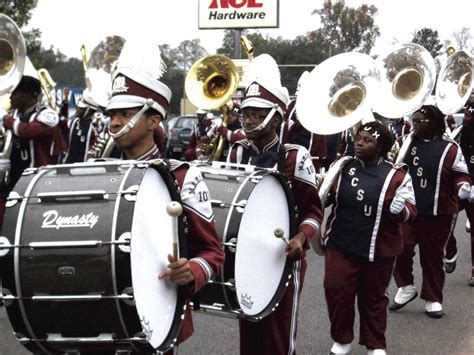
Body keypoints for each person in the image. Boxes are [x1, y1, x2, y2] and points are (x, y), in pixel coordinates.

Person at [105, 42, 225, 354]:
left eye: (124, 113)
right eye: (111, 114)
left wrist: (192, 271)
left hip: (156, 317)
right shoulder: (100, 174)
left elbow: (213, 253)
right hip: (103, 318)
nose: (114, 122)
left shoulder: (182, 177)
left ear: (153, 120)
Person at [226, 53, 323, 355]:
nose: (250, 121)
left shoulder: (295, 156)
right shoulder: (236, 153)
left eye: (257, 114)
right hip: (246, 257)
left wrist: (301, 237)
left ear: (277, 118)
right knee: (250, 332)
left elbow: (313, 211)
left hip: (284, 258)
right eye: (247, 114)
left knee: (279, 338)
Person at [321, 121, 416, 355]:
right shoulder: (342, 167)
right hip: (341, 242)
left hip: (379, 247)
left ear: (380, 145)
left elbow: (411, 211)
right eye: (358, 138)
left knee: (373, 298)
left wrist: (400, 210)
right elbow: (325, 198)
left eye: (367, 140)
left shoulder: (397, 176)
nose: (359, 143)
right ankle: (342, 339)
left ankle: (375, 344)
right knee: (336, 290)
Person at [389, 104, 472, 318]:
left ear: (433, 123)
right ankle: (406, 285)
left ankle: (433, 298)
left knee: (432, 256)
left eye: (419, 120)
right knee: (400, 248)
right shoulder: (403, 143)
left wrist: (463, 186)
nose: (414, 124)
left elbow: (460, 174)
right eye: (413, 120)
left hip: (439, 211)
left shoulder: (450, 147)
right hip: (409, 208)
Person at [0, 75, 65, 228]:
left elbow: (26, 131)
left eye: (14, 93)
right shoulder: (16, 115)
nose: (10, 97)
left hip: (37, 182)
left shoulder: (48, 115)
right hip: (13, 180)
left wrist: (5, 119)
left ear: (27, 95)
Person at [63, 91, 99, 163]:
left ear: (89, 111)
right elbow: (62, 125)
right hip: (68, 164)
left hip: (83, 167)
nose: (77, 110)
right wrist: (65, 105)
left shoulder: (94, 128)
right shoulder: (74, 122)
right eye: (78, 107)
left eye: (81, 108)